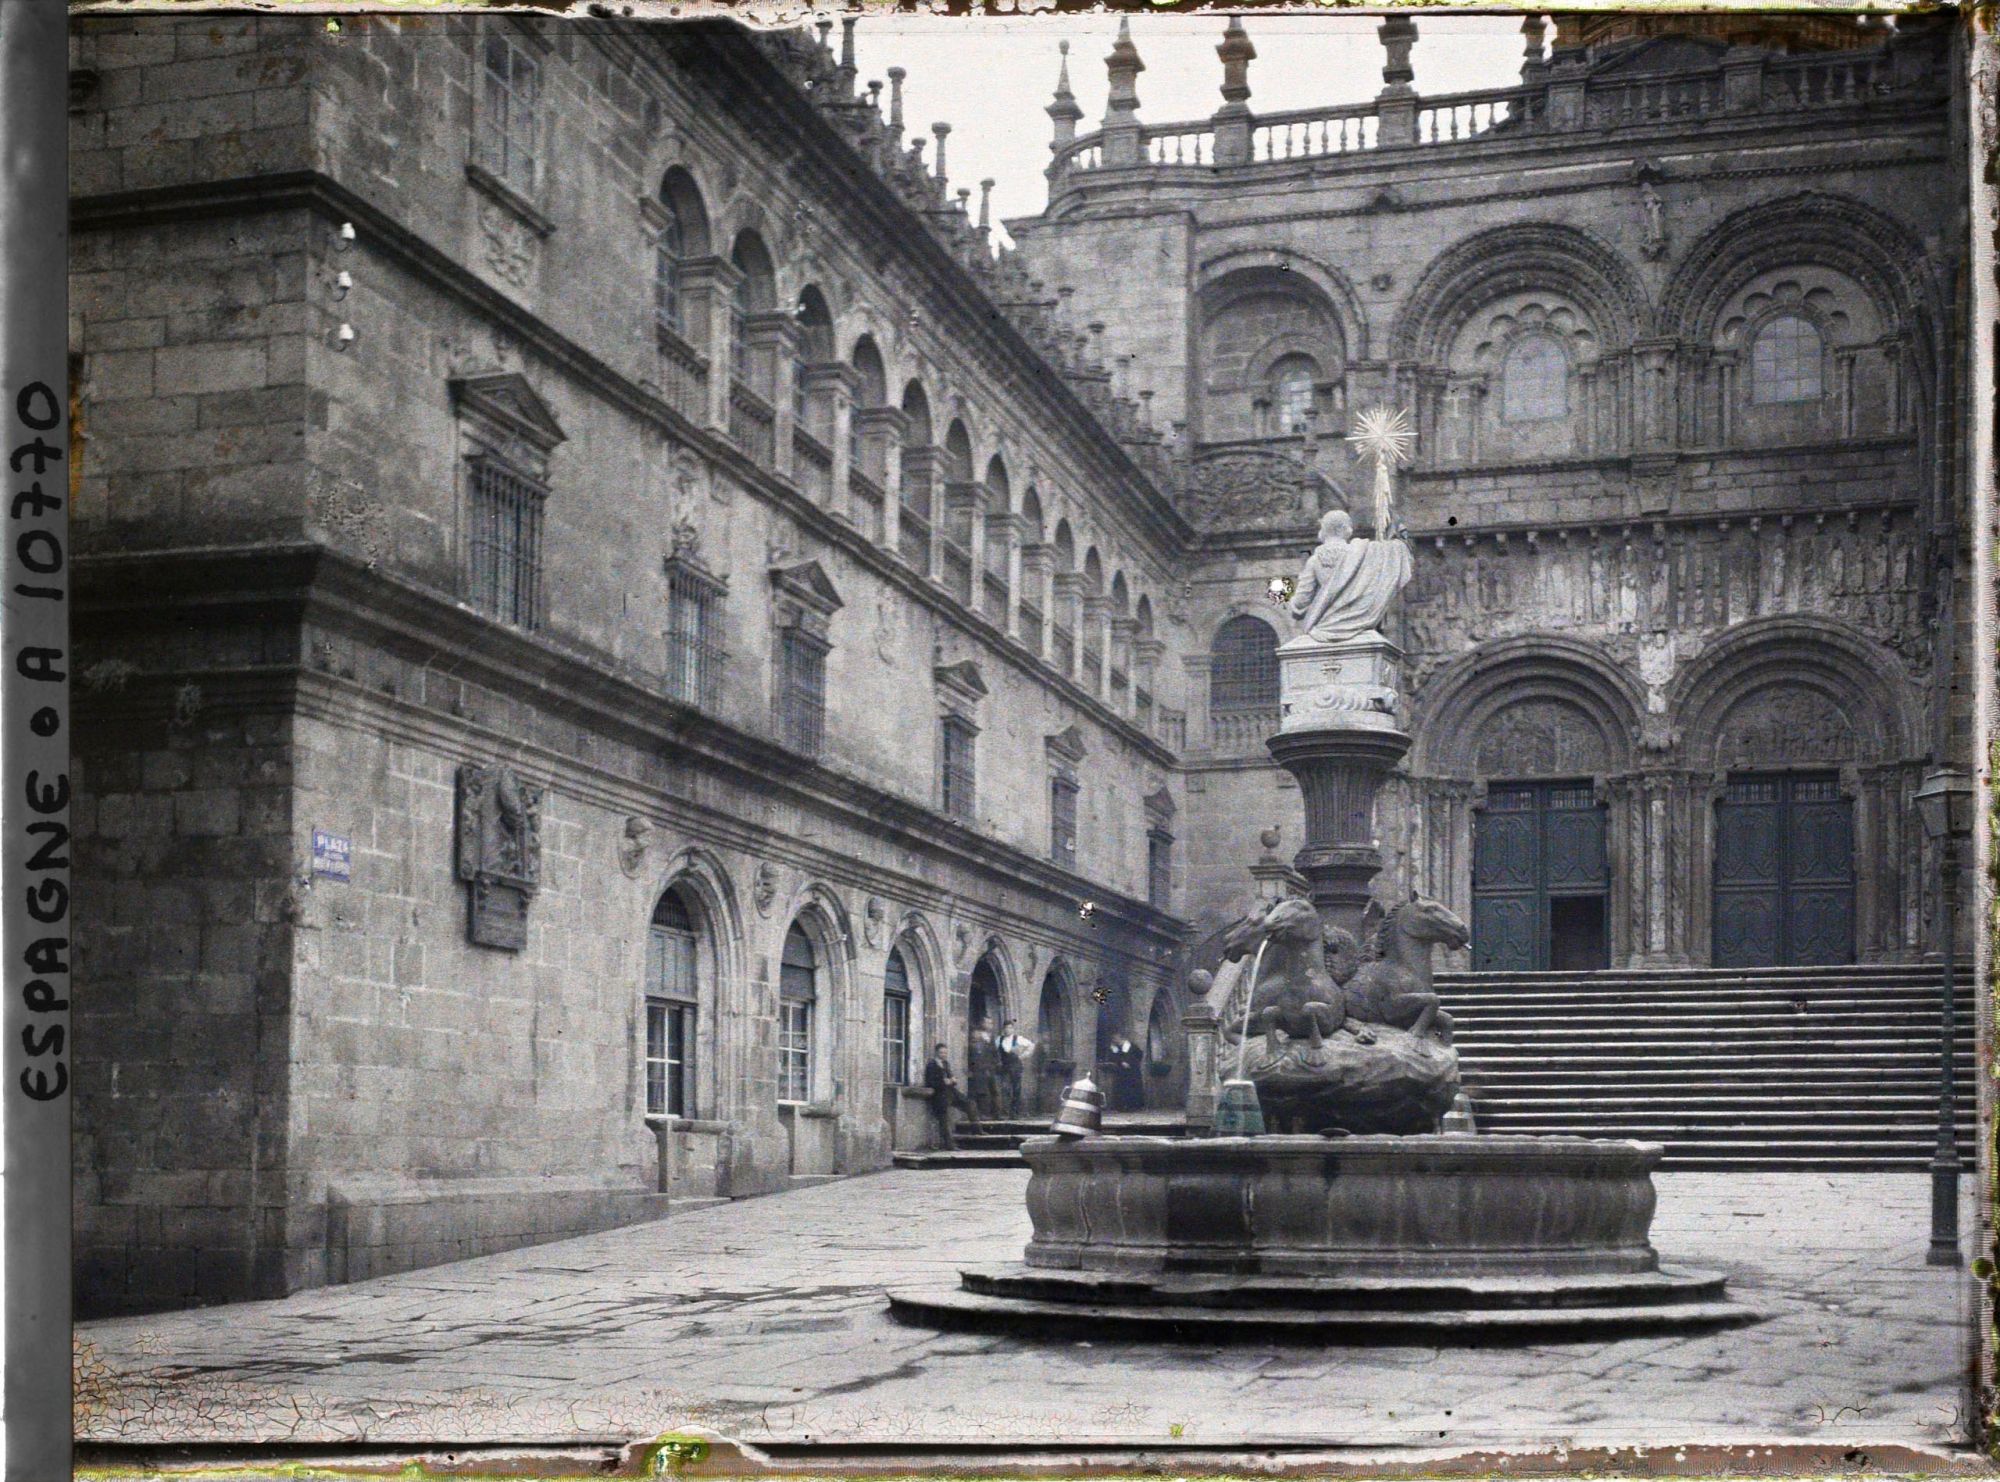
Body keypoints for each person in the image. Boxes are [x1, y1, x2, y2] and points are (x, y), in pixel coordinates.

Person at [922, 1043, 983, 1149]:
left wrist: (952, 1080)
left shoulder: (945, 1063)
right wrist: (943, 1082)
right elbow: (930, 1082)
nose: (944, 1054)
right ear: (936, 1053)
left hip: (951, 1092)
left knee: (970, 1104)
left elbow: (951, 1078)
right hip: (939, 1094)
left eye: (945, 1052)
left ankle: (977, 1130)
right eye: (941, 1052)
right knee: (944, 1119)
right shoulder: (931, 1065)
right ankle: (949, 1145)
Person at [997, 1020, 1035, 1119]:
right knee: (1005, 1089)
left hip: (1015, 1067)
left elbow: (1031, 1045)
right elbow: (994, 1051)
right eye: (1006, 1028)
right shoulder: (999, 1040)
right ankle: (1005, 1112)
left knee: (1016, 1089)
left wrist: (1022, 1056)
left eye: (1010, 1028)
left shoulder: (1018, 1039)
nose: (1007, 1030)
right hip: (1004, 1067)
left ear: (1013, 1029)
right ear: (1003, 1029)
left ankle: (1015, 1112)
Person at [967, 1020, 1000, 1121]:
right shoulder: (970, 1046)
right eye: (975, 1033)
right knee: (979, 1093)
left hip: (986, 1071)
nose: (977, 1035)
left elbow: (992, 1056)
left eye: (978, 1033)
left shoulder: (985, 1045)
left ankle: (994, 1114)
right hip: (976, 1072)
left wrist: (991, 1067)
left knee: (989, 1092)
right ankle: (980, 1114)